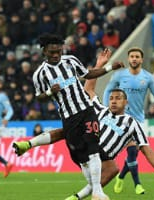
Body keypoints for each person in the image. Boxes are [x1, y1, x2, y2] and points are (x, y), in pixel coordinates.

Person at [13, 66, 154, 200]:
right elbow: (89, 89)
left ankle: (78, 197)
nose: (114, 101)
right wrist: (99, 65)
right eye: (112, 98)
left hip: (102, 157)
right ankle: (29, 144)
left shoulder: (132, 123)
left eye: (118, 98)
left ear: (126, 102)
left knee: (112, 169)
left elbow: (147, 149)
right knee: (73, 128)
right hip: (87, 147)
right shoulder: (99, 110)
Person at [32, 33, 123, 200]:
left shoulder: (71, 61)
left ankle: (97, 191)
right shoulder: (40, 74)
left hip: (86, 110)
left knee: (93, 148)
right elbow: (38, 96)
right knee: (82, 158)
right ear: (44, 51)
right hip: (69, 117)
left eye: (58, 51)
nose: (55, 55)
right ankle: (91, 190)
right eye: (52, 52)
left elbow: (88, 75)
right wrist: (49, 92)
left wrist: (110, 68)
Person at [102, 47, 154, 195]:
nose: (134, 59)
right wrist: (106, 109)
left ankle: (121, 177)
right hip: (121, 120)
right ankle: (137, 184)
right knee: (131, 152)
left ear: (141, 60)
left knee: (132, 153)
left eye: (137, 57)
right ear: (128, 59)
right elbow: (107, 91)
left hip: (138, 120)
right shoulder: (119, 75)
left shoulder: (148, 77)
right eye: (132, 57)